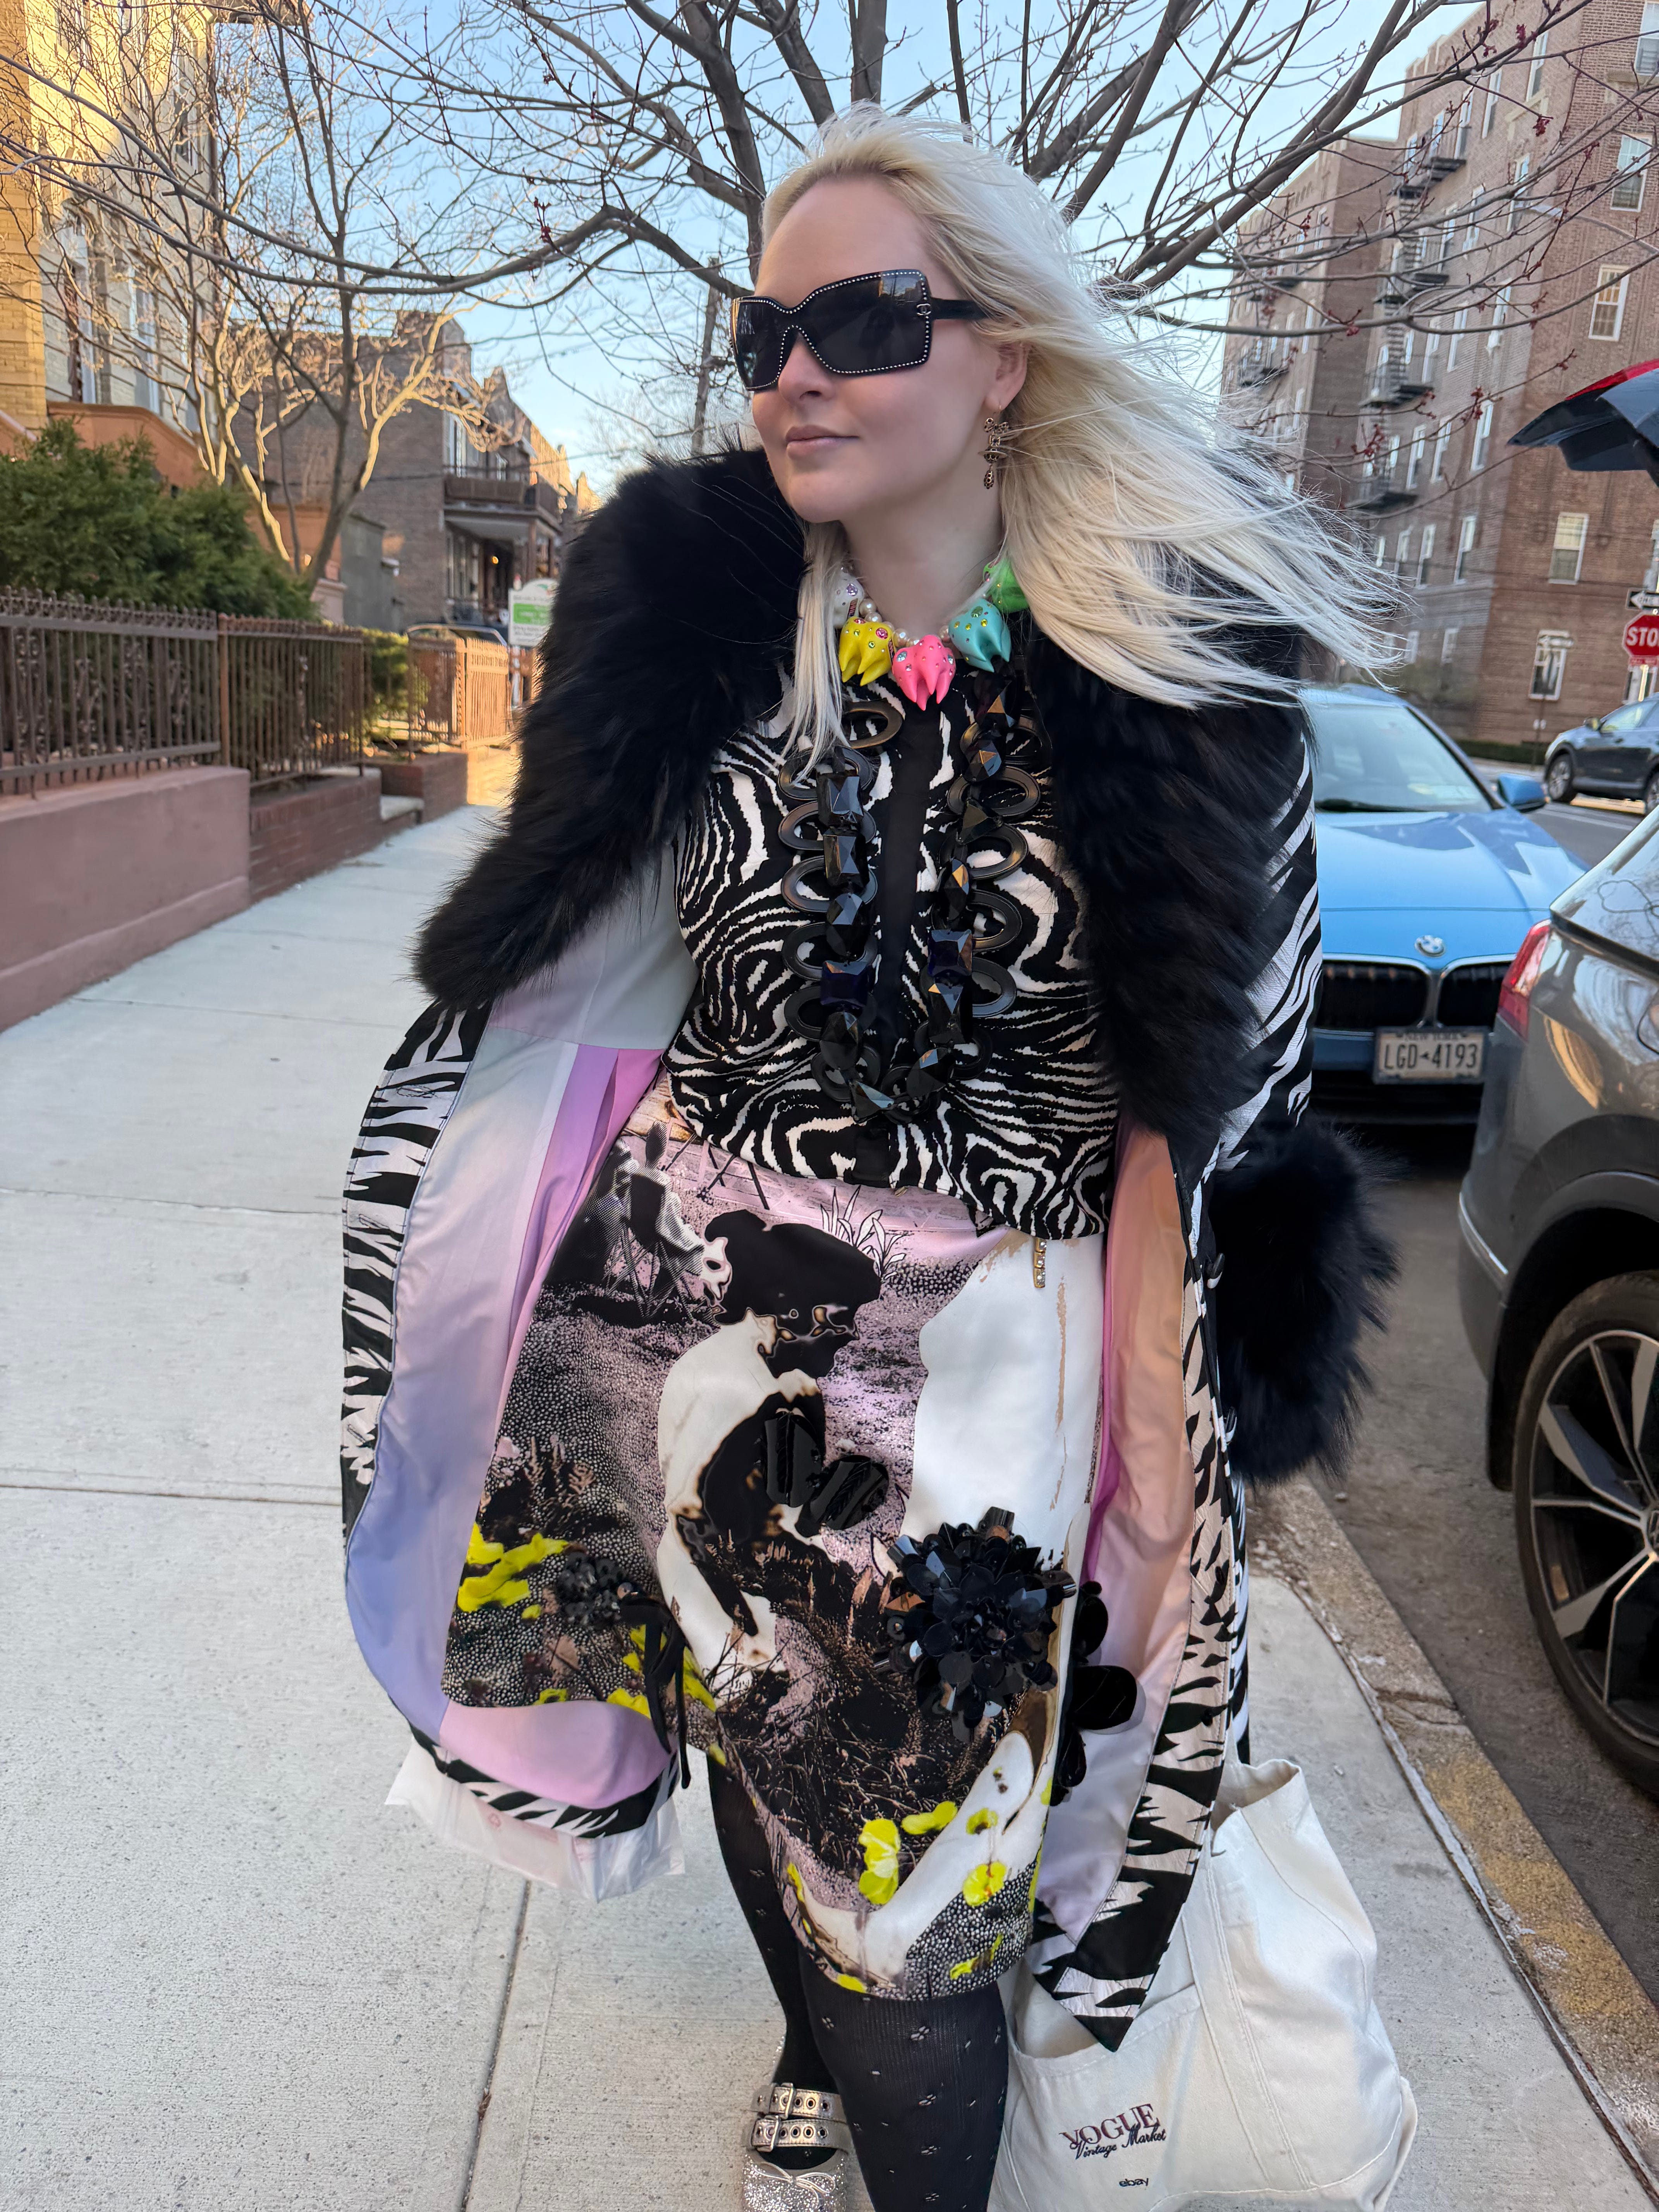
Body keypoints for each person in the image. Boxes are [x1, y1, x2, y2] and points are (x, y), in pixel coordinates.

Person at [340, 106, 1394, 2212]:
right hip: (669, 1309)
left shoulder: (1182, 672)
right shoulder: (697, 624)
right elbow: (581, 968)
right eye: (767, 333)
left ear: (1001, 356)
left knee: (917, 1897)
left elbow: (1227, 1090)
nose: (796, 372)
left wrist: (1184, 1433)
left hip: (979, 1369)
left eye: (864, 322)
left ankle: (877, 2085)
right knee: (752, 1749)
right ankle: (805, 2043)